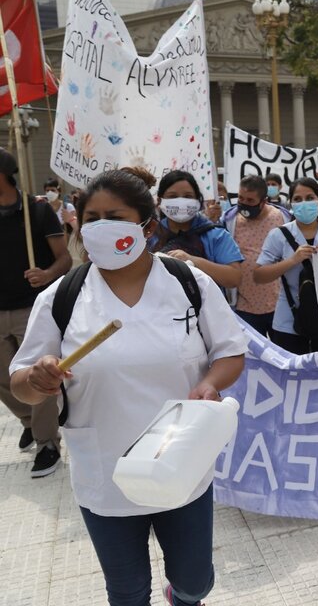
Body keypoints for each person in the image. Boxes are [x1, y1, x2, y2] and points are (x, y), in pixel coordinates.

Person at [9, 168, 247, 606]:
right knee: (127, 592)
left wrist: (211, 383)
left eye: (113, 216)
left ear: (146, 225)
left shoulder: (188, 283)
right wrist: (36, 379)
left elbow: (231, 352)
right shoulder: (62, 297)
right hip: (105, 473)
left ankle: (182, 595)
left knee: (196, 583)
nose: (100, 227)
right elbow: (21, 385)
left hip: (181, 464)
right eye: (91, 218)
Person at [0, 149, 71, 477]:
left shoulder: (38, 212)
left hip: (33, 307)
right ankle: (29, 421)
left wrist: (46, 274)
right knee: (7, 381)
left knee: (38, 376)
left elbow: (64, 259)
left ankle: (47, 443)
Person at [254, 178, 318, 355]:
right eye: (297, 199)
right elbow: (258, 275)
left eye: (309, 197)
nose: (304, 203)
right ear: (291, 203)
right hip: (288, 322)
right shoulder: (279, 235)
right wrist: (292, 260)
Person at [149, 170, 243, 289]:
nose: (181, 202)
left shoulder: (215, 235)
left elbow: (234, 278)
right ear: (159, 201)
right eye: (172, 196)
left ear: (198, 200)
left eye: (188, 196)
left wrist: (192, 260)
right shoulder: (149, 233)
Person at [224, 175, 290, 337]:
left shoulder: (281, 218)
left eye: (250, 200)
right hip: (243, 306)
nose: (244, 203)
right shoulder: (229, 220)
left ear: (263, 201)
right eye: (241, 198)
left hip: (278, 305)